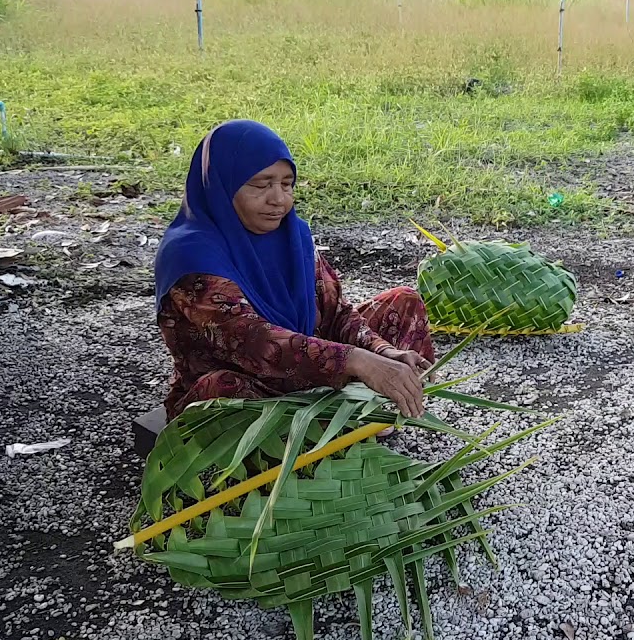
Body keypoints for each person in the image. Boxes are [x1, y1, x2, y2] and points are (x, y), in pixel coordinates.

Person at [153, 120, 434, 422]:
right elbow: (255, 342)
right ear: (221, 187)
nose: (278, 199)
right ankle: (326, 427)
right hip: (254, 384)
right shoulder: (191, 257)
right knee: (222, 389)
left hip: (313, 369)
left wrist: (383, 352)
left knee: (403, 302)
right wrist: (358, 362)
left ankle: (359, 413)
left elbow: (336, 313)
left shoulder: (292, 236)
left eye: (286, 184)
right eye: (261, 185)